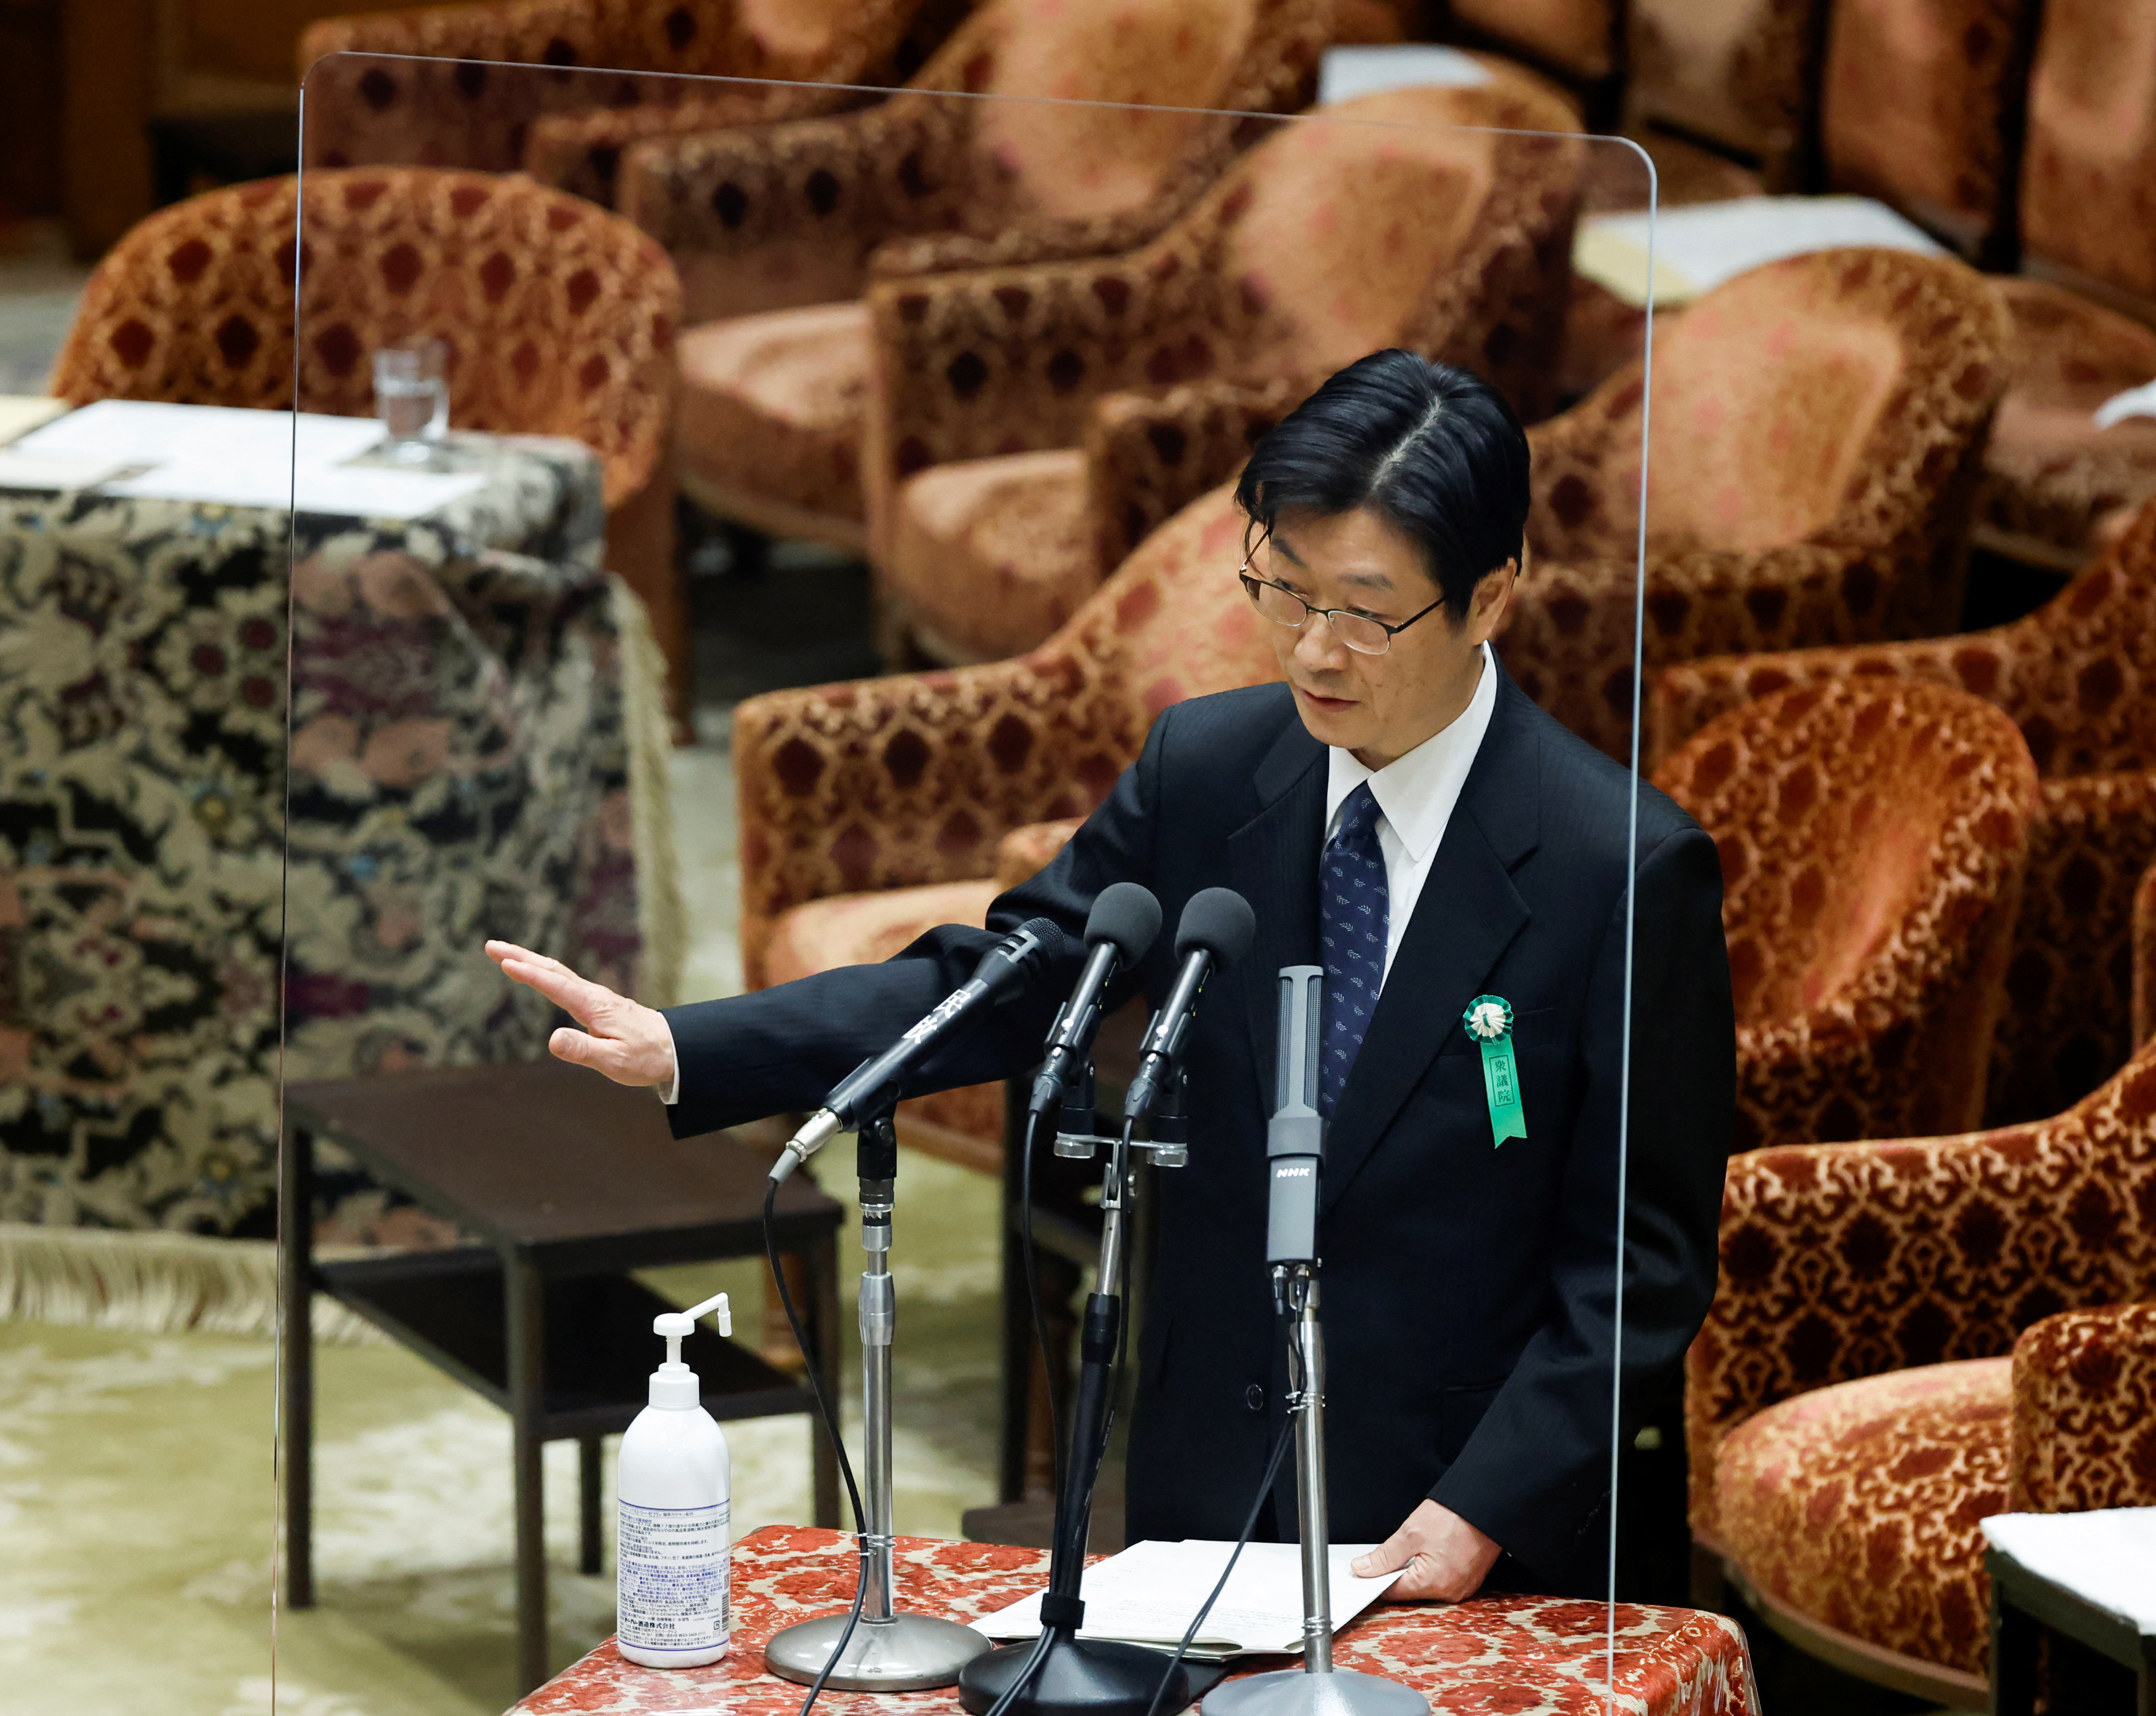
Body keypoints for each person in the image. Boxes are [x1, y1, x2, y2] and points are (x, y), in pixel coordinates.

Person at [487, 349, 1734, 1601]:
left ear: (1490, 597)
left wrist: (1484, 1504)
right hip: (1203, 1480)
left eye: (1365, 612)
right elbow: (1010, 980)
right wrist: (693, 1045)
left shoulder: (1618, 867)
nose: (1314, 651)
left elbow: (1641, 1264)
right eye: (1283, 591)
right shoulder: (1210, 769)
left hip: (1458, 1523)